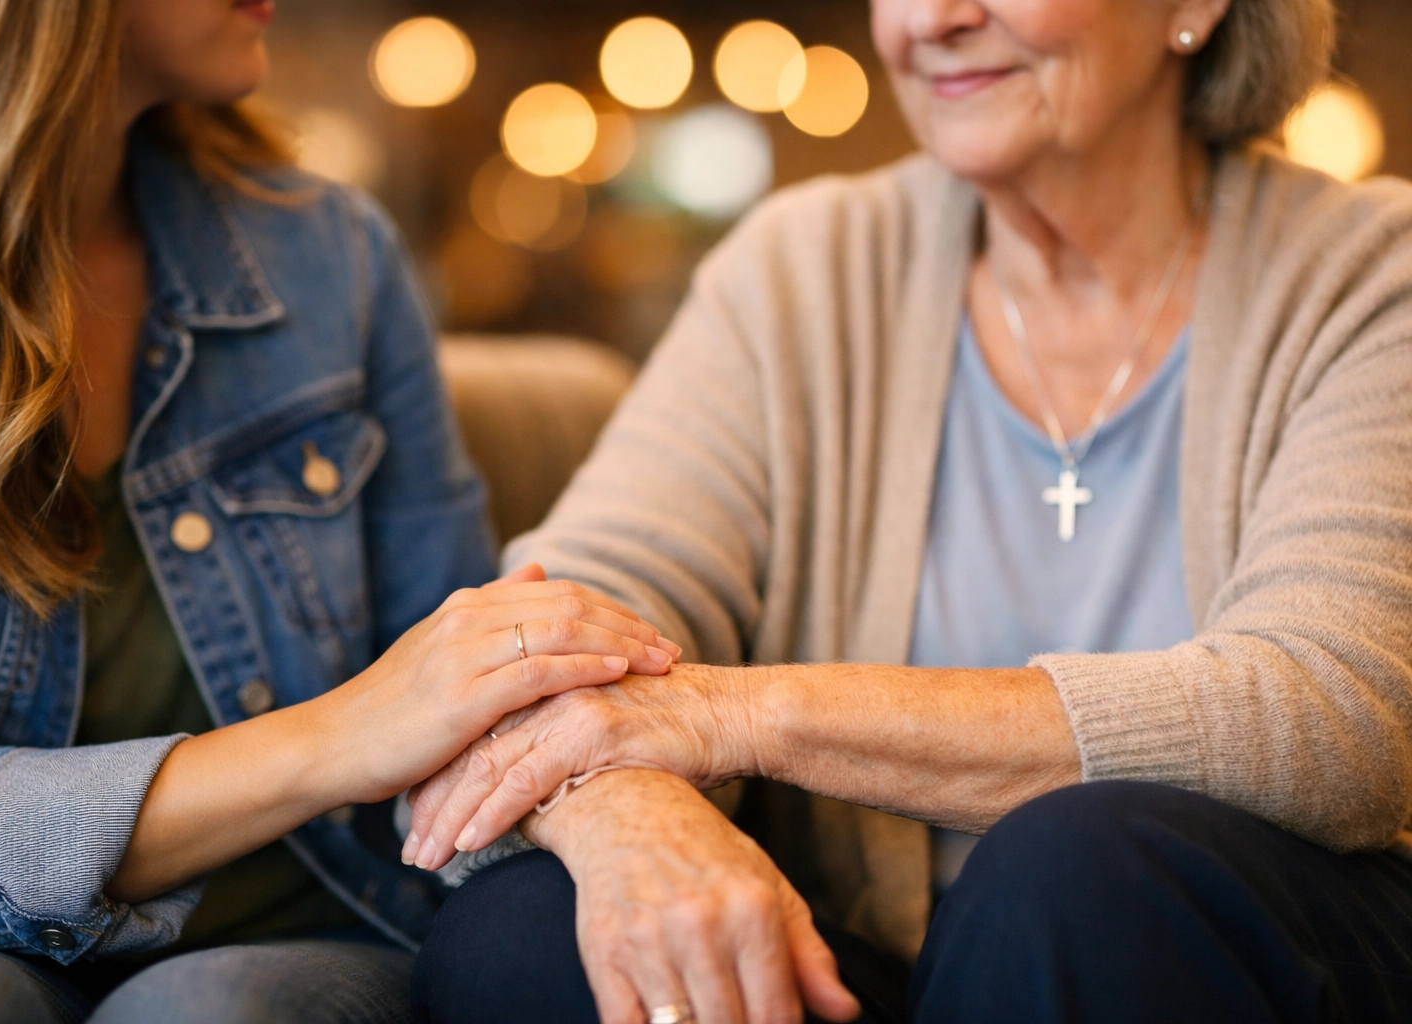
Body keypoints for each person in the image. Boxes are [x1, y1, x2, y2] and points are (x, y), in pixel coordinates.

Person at [406, 0, 1412, 1021]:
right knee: (534, 929)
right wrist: (625, 806)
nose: (934, 18)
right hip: (883, 975)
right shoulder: (806, 267)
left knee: (1069, 867)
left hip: (1223, 947)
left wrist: (734, 716)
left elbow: (1337, 715)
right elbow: (548, 629)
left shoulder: (1374, 274)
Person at [0, 1, 681, 1021]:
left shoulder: (328, 254)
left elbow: (465, 680)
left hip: (320, 922)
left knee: (213, 1010)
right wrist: (339, 734)